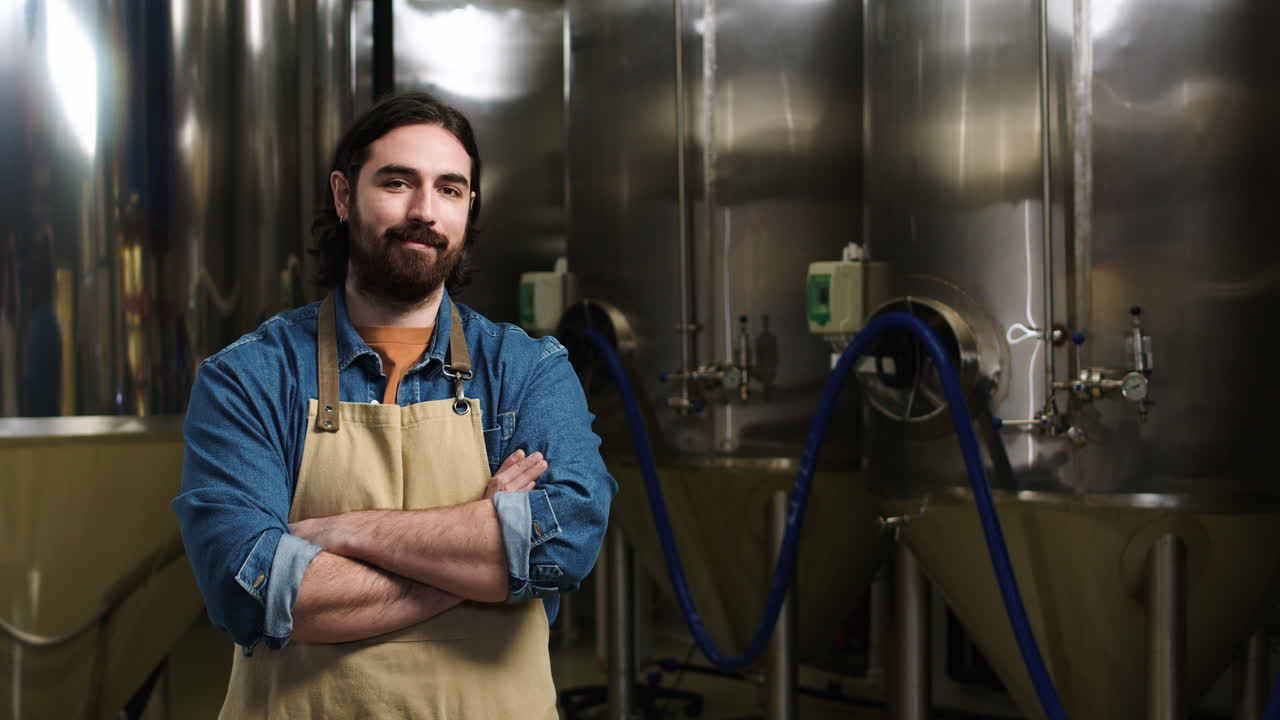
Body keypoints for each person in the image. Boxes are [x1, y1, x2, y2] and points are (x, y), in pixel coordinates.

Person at [173, 92, 616, 719]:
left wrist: (344, 533)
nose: (423, 211)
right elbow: (250, 589)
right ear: (343, 194)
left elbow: (562, 542)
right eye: (398, 181)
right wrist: (481, 558)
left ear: (469, 208)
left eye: (450, 189)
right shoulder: (249, 377)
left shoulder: (527, 370)